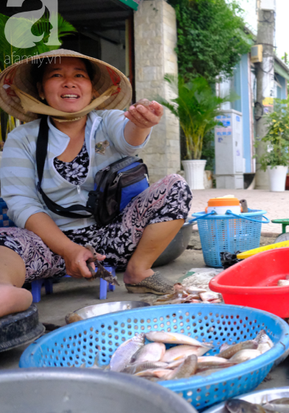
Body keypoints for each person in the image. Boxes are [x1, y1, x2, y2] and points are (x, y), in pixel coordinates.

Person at [0, 49, 192, 318]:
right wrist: (69, 249)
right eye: (57, 75)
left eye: (79, 75)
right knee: (5, 240)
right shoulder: (22, 139)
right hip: (50, 246)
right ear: (41, 91)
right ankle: (4, 291)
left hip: (113, 239)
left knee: (176, 186)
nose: (69, 82)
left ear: (91, 89)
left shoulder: (108, 120)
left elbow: (129, 139)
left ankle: (139, 270)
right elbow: (21, 203)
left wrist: (141, 124)